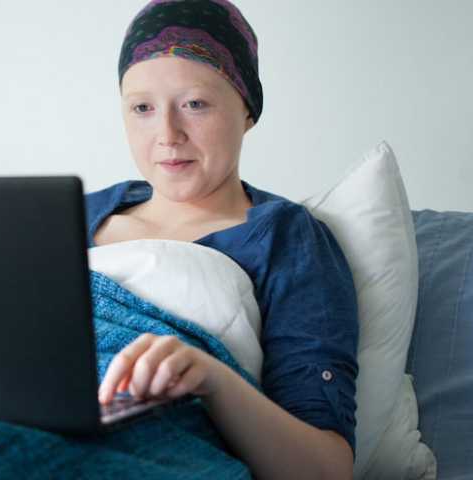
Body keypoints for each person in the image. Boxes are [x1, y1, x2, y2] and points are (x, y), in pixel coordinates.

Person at [87, 1, 359, 478]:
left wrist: (210, 377)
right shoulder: (78, 211)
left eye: (194, 103)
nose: (167, 134)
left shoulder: (285, 237)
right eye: (142, 108)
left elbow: (327, 468)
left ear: (247, 110)